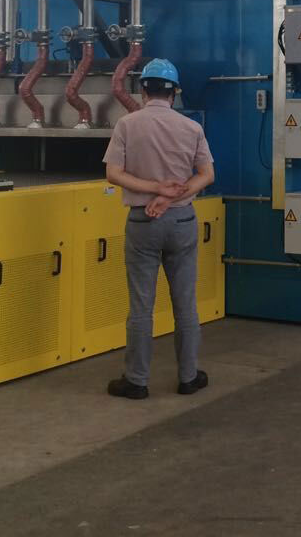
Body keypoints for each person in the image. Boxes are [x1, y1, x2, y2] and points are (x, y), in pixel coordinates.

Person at [103, 58, 215, 400]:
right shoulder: (191, 127)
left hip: (142, 223)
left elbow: (113, 174)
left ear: (142, 89)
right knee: (185, 304)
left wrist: (155, 191)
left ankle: (136, 381)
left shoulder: (127, 124)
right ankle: (188, 377)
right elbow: (207, 175)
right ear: (174, 92)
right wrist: (171, 196)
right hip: (182, 223)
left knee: (141, 306)